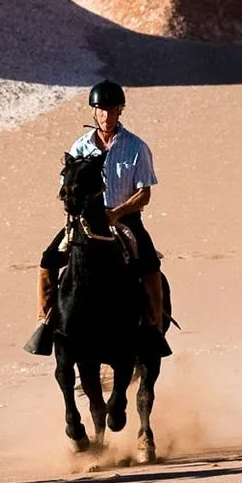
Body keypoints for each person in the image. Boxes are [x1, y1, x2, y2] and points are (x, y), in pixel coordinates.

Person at [39, 80, 165, 332]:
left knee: (150, 265)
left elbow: (144, 194)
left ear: (121, 110)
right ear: (94, 112)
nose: (106, 115)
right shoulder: (79, 147)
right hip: (84, 222)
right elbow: (67, 188)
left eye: (112, 109)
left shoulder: (136, 147)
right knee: (48, 261)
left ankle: (155, 325)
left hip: (125, 219)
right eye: (101, 110)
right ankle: (45, 322)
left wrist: (116, 213)